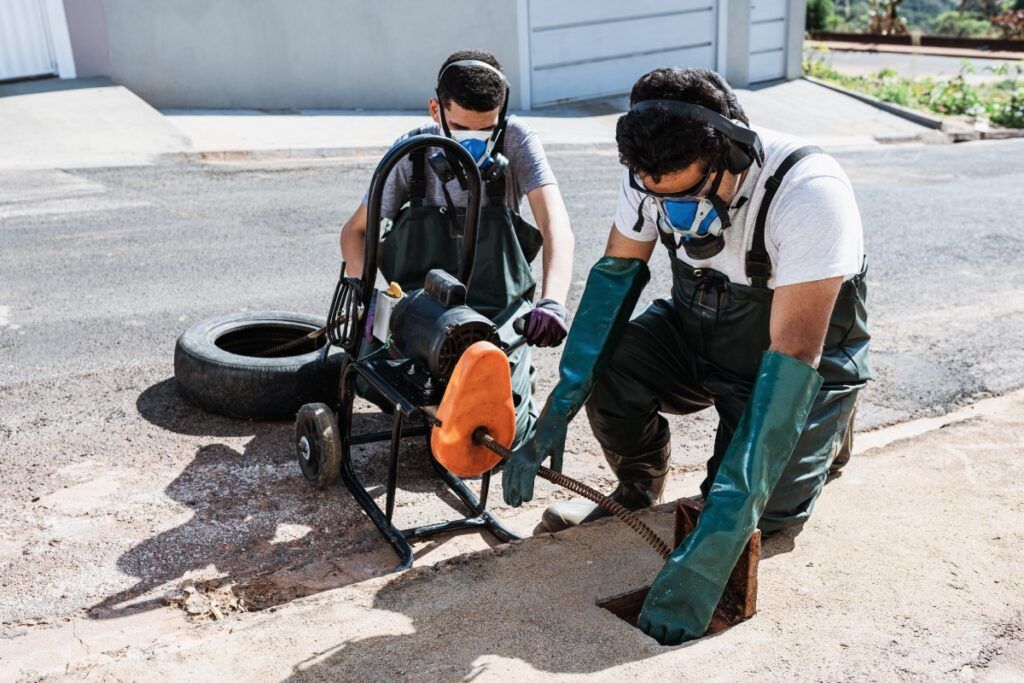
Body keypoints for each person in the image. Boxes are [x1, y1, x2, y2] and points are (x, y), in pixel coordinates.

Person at [501, 67, 870, 644]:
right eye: (655, 194)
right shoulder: (650, 174)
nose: (671, 213)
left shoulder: (808, 191)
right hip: (696, 329)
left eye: (688, 195)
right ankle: (639, 483)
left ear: (732, 153)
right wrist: (557, 410)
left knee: (759, 517)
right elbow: (612, 288)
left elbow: (794, 351)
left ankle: (828, 426)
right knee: (610, 366)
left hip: (791, 362)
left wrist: (706, 557)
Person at [340, 50, 574, 444]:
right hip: (422, 315)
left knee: (501, 434)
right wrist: (365, 297)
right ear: (436, 110)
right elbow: (354, 233)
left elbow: (557, 227)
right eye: (463, 128)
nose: (476, 142)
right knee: (375, 381)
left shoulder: (516, 140)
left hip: (494, 316)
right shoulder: (410, 152)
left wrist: (553, 302)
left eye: (487, 130)